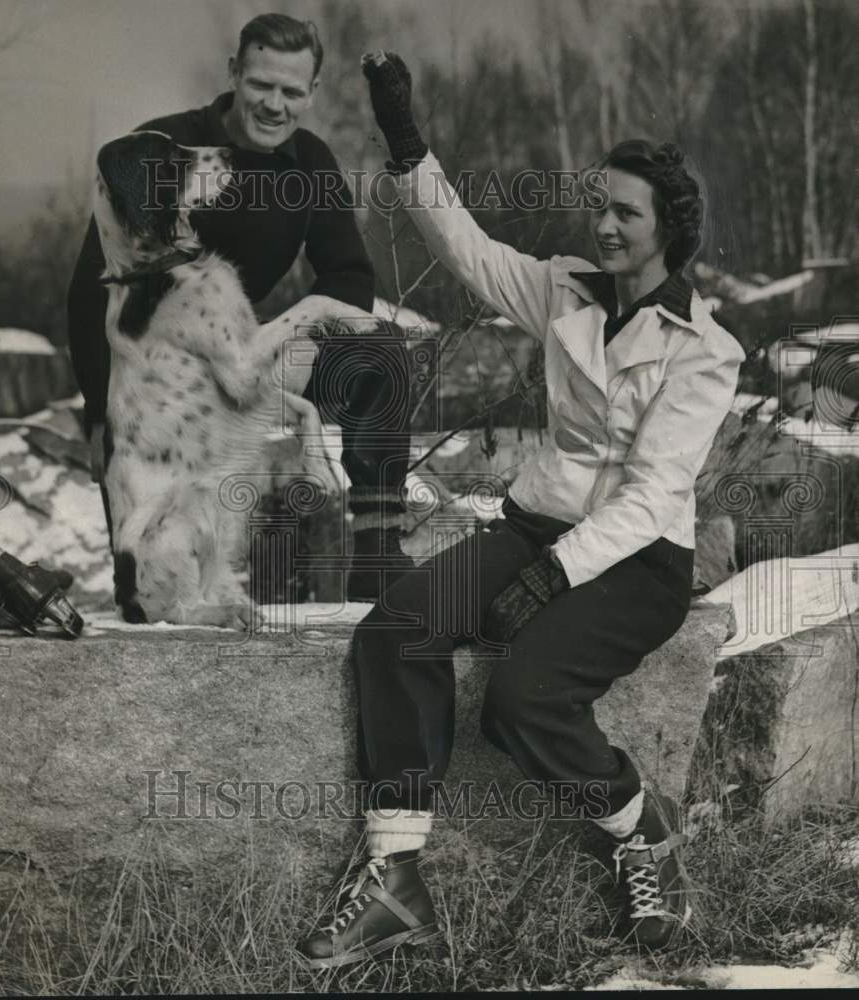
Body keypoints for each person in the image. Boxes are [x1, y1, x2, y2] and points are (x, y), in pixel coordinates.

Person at [295, 52, 746, 968]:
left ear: (669, 230)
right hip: (535, 529)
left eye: (627, 212)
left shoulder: (705, 350)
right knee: (398, 626)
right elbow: (467, 250)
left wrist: (551, 579)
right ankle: (394, 878)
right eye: (601, 206)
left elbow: (657, 492)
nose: (606, 224)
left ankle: (637, 830)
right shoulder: (565, 290)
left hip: (638, 561)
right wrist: (407, 141)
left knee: (523, 697)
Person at [67, 13, 415, 602]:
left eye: (291, 91)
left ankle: (378, 553)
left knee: (380, 351)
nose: (274, 104)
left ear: (311, 93)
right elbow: (88, 290)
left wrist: (291, 355)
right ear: (234, 74)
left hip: (245, 361)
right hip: (161, 394)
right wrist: (99, 415)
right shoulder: (165, 148)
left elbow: (350, 276)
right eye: (261, 85)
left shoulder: (310, 162)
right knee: (154, 592)